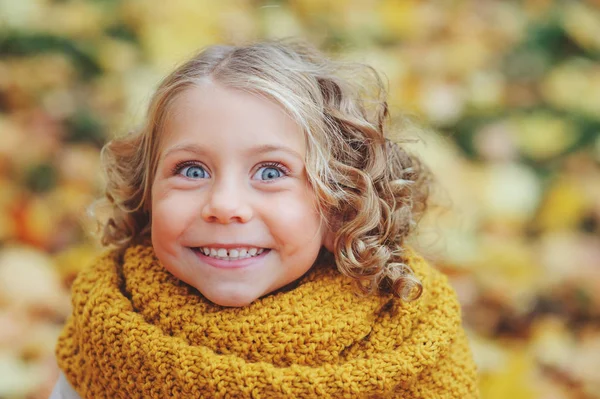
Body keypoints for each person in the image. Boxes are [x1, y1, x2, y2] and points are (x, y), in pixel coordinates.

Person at [50, 39, 479, 398]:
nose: (224, 204)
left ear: (340, 202)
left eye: (271, 172)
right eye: (192, 170)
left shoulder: (410, 335)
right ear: (145, 192)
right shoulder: (107, 332)